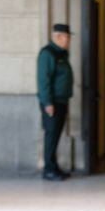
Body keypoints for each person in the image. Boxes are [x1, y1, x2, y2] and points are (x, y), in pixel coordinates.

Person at [36, 23, 73, 181]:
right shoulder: (48, 54)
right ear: (58, 37)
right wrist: (47, 103)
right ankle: (48, 170)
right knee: (51, 136)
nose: (69, 40)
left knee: (56, 136)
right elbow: (43, 81)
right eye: (67, 37)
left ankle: (54, 167)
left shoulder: (61, 54)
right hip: (53, 103)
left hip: (61, 101)